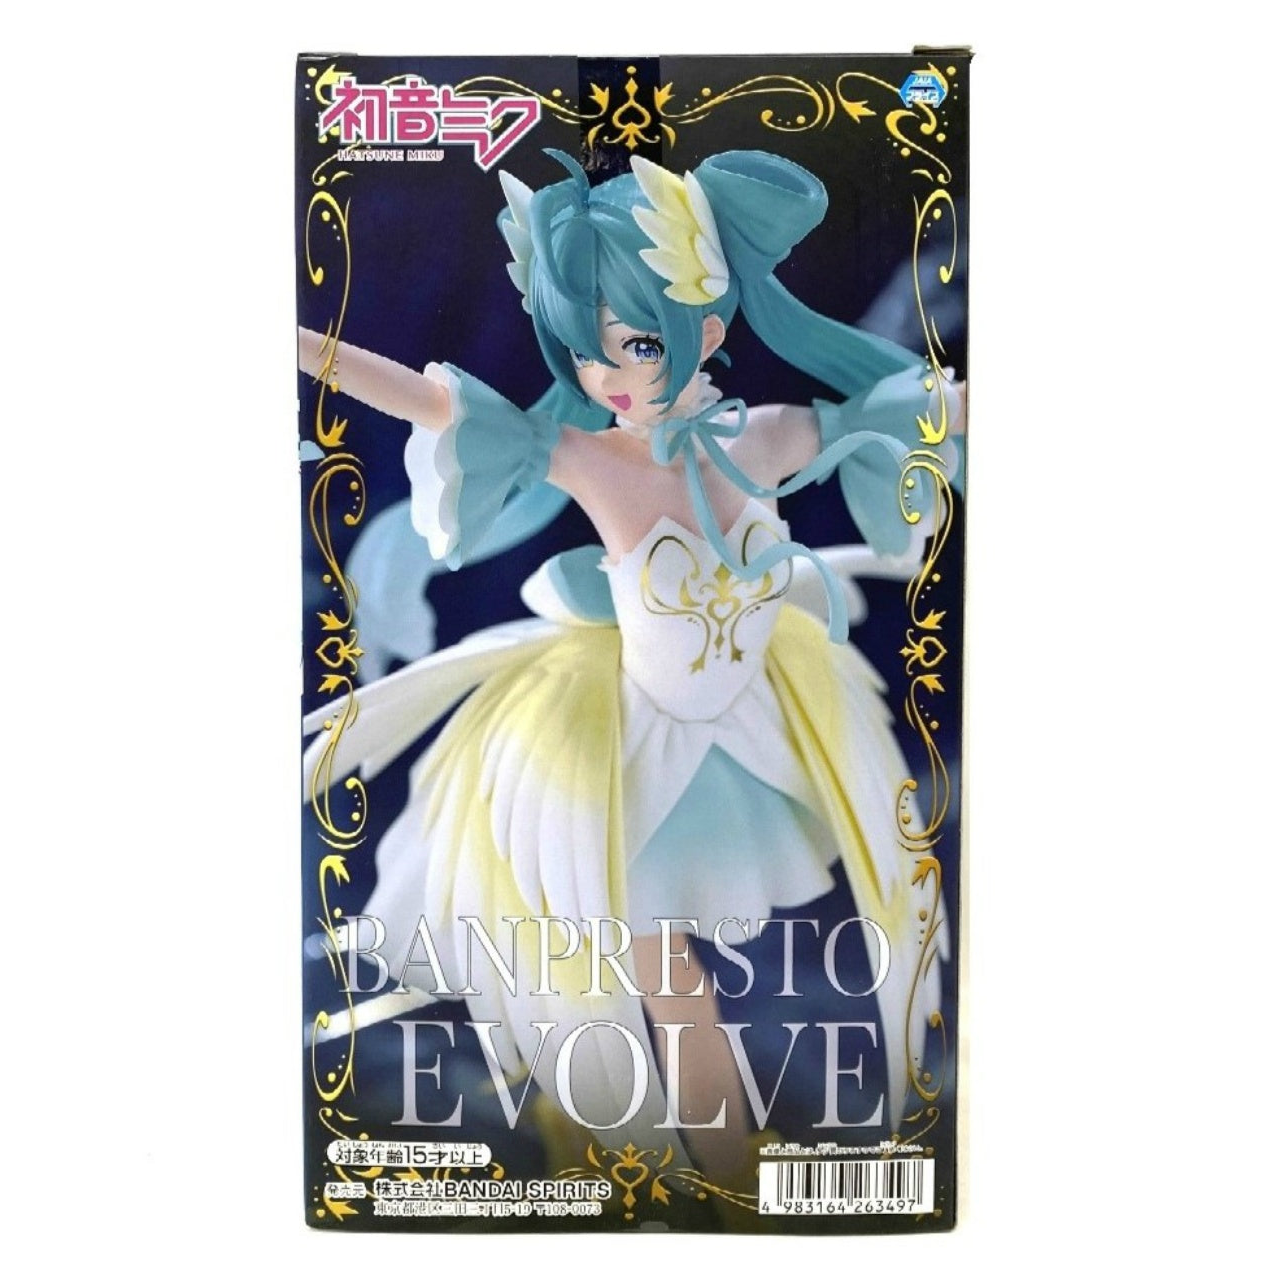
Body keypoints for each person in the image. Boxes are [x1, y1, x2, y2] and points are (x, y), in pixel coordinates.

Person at [301, 148, 961, 1176]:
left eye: (637, 344)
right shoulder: (593, 458)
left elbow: (915, 416)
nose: (607, 377)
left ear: (707, 331)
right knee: (657, 970)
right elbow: (430, 403)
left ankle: (692, 1158)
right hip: (623, 746)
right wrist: (302, 346)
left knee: (705, 959)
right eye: (586, 353)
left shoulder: (768, 438)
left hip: (755, 719)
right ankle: (690, 1155)